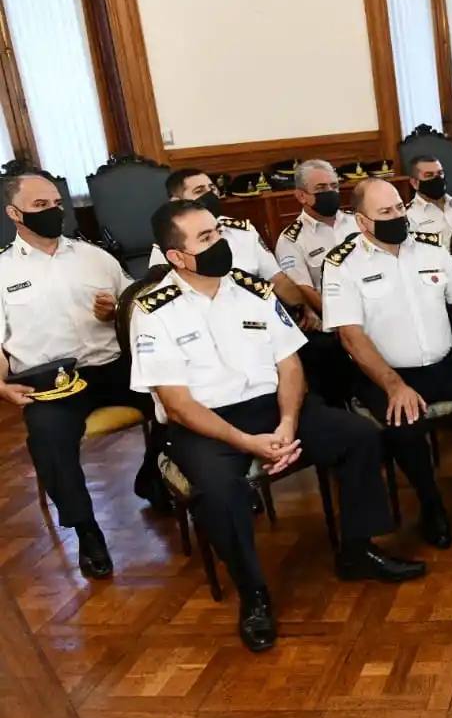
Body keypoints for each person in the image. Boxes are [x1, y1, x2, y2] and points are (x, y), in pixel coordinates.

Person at [132, 200, 426, 651]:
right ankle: (253, 593)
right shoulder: (154, 310)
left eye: (218, 232)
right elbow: (177, 402)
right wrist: (246, 442)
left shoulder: (254, 290)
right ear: (176, 257)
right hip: (206, 424)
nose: (221, 243)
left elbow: (290, 365)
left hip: (275, 409)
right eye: (206, 238)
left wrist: (287, 424)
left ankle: (357, 550)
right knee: (219, 490)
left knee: (360, 436)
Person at [324, 178, 452, 549]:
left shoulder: (431, 250)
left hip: (444, 364)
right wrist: (393, 385)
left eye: (399, 207)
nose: (397, 216)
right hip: (386, 374)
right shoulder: (343, 266)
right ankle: (432, 506)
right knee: (406, 425)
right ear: (362, 222)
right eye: (385, 212)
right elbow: (351, 335)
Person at [0, 173, 165, 579]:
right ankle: (87, 530)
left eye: (56, 203)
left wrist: (118, 313)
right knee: (48, 437)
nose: (53, 211)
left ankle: (154, 477)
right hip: (52, 381)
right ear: (14, 214)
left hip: (111, 364)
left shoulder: (96, 257)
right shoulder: (2, 270)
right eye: (40, 206)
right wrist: (0, 386)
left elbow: (137, 307)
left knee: (175, 401)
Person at [149, 169, 317, 329]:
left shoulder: (243, 231)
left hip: (261, 316)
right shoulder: (168, 249)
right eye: (200, 190)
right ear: (177, 202)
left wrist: (303, 307)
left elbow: (277, 279)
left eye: (212, 188)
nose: (210, 195)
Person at [273, 159, 363, 314]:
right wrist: (339, 318)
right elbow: (304, 288)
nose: (329, 192)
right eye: (321, 188)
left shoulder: (358, 221)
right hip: (335, 315)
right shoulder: (290, 240)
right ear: (301, 196)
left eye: (334, 186)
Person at [405, 154, 452, 242]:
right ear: (414, 183)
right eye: (429, 175)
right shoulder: (410, 217)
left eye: (440, 173)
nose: (437, 179)